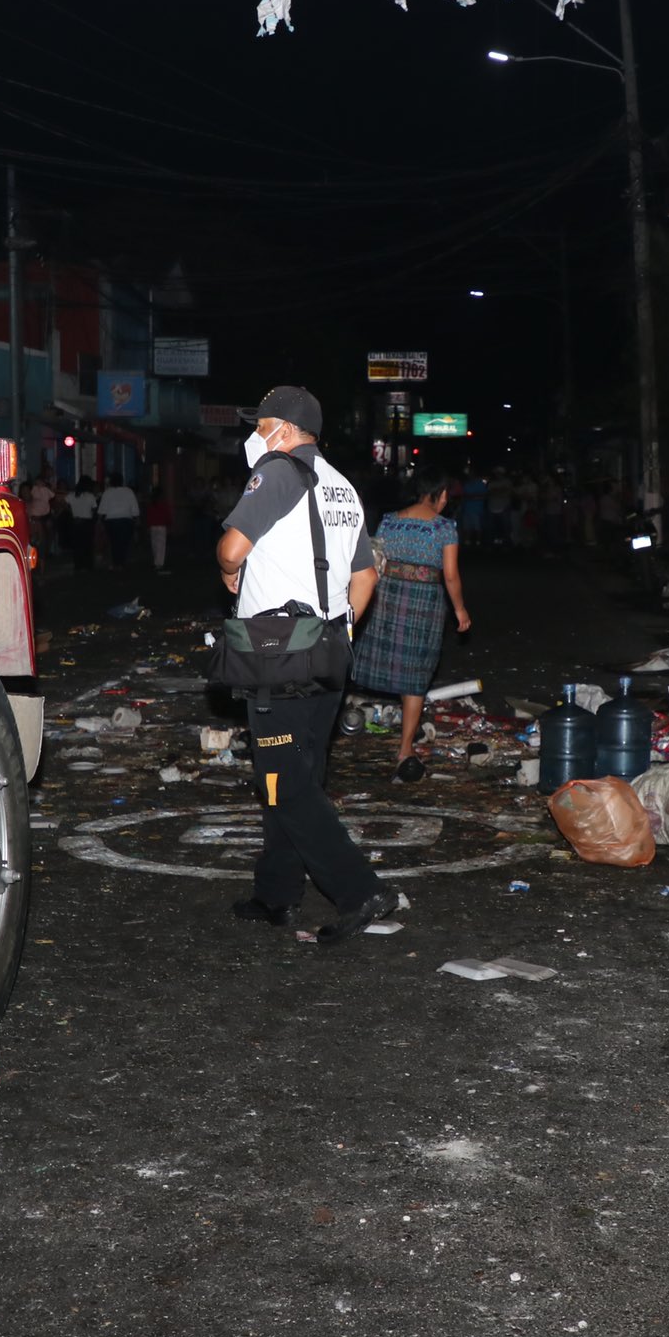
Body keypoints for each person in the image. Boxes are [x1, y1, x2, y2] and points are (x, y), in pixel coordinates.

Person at [215, 385, 395, 942]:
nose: (257, 436)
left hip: (279, 653)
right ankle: (277, 894)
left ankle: (360, 890)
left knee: (284, 782)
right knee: (299, 774)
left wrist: (227, 570)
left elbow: (231, 549)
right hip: (329, 646)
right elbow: (365, 576)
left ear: (288, 432)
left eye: (264, 425)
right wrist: (338, 626)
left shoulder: (278, 472)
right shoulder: (343, 487)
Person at [351, 469, 471, 782]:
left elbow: (375, 558)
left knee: (365, 661)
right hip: (423, 604)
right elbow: (450, 575)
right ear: (441, 495)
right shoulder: (444, 528)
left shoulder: (390, 520)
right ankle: (405, 748)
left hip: (386, 598)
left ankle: (333, 723)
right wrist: (460, 610)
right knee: (415, 674)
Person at [98, 471, 140, 568]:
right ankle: (122, 562)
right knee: (124, 543)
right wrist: (137, 519)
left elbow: (102, 509)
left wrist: (100, 520)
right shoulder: (129, 491)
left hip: (111, 521)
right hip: (126, 520)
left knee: (113, 542)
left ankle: (116, 562)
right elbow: (134, 508)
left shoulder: (107, 492)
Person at [66, 477, 99, 571]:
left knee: (77, 545)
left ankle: (78, 564)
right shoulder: (90, 496)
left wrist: (72, 511)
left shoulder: (72, 495)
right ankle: (88, 564)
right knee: (87, 544)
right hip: (87, 522)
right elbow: (94, 509)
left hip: (75, 521)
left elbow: (65, 504)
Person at [145, 485, 175, 574]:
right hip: (162, 526)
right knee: (161, 546)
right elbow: (167, 516)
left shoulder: (151, 504)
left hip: (153, 526)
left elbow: (148, 516)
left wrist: (148, 526)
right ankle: (159, 563)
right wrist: (170, 525)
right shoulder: (164, 504)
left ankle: (156, 562)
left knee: (154, 545)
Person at [26, 471, 56, 554]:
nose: (39, 483)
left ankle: (44, 546)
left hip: (44, 513)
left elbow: (53, 495)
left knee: (44, 532)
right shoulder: (34, 489)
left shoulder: (46, 489)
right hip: (35, 513)